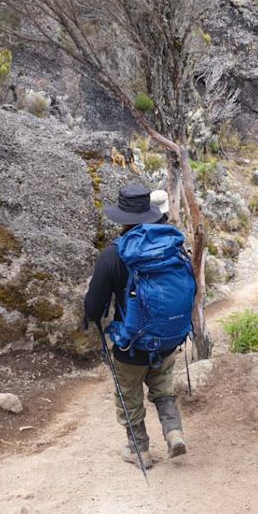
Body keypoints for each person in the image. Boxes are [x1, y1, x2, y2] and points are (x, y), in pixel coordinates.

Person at [84, 184, 186, 469]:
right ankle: (173, 432)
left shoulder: (114, 254)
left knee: (128, 395)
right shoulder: (172, 244)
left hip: (131, 345)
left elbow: (93, 306)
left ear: (123, 218)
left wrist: (93, 317)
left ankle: (139, 449)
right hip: (167, 339)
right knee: (163, 389)